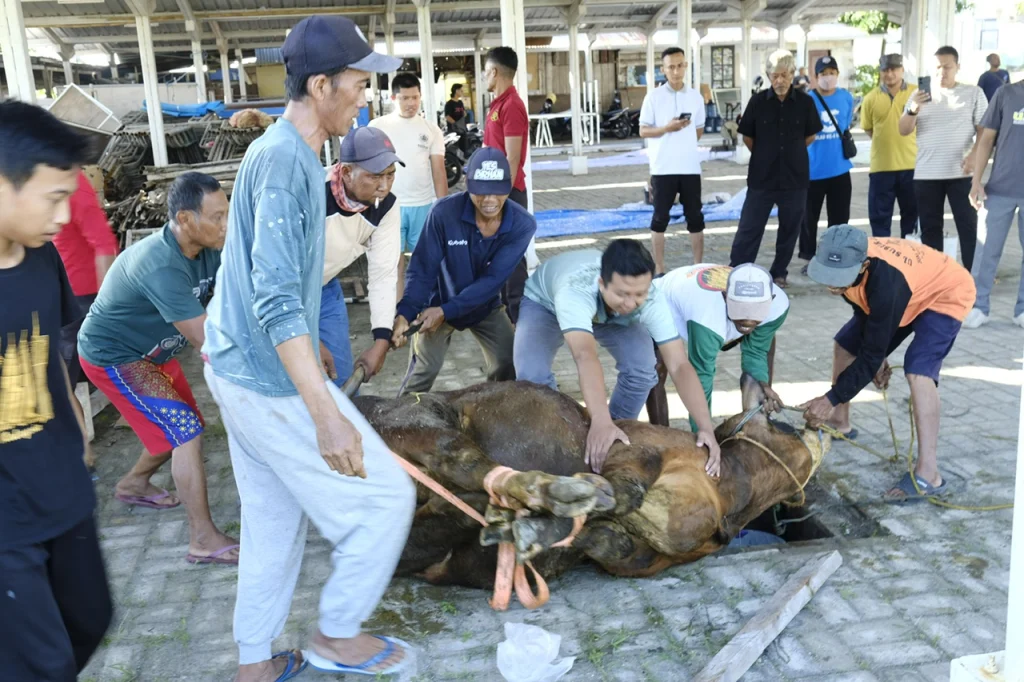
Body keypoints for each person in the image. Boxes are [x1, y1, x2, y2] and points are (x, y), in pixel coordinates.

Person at [203, 17, 415, 679]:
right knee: (385, 500)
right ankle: (336, 634)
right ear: (320, 84)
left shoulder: (299, 157)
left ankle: (255, 664)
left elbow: (287, 285)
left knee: (273, 521)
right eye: (356, 81)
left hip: (239, 367)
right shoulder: (283, 165)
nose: (363, 93)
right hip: (262, 379)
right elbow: (272, 301)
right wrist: (325, 413)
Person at [0, 99, 112, 680]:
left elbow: (51, 358)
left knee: (91, 618)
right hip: (6, 519)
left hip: (62, 488)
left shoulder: (41, 261)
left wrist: (79, 433)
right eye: (52, 198)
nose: (66, 217)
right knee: (41, 663)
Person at [77, 172, 240, 566]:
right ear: (184, 219)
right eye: (216, 217)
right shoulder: (160, 265)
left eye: (226, 214)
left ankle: (133, 483)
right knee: (185, 431)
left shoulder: (209, 246)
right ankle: (202, 539)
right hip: (115, 355)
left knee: (185, 424)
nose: (225, 225)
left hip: (153, 354)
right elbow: (210, 341)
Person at [513, 240, 722, 476]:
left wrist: (706, 428)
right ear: (602, 284)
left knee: (643, 371)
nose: (631, 303)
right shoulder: (575, 292)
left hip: (612, 316)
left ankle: (612, 437)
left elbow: (679, 364)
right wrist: (599, 419)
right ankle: (558, 441)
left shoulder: (649, 299)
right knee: (532, 378)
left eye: (639, 294)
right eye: (623, 294)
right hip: (545, 304)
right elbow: (585, 355)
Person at [801, 225, 974, 502]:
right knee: (846, 344)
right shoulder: (845, 258)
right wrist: (878, 350)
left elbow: (869, 355)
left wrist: (830, 396)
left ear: (863, 266)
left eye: (839, 278)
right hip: (903, 295)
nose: (832, 284)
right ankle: (839, 421)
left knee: (918, 368)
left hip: (944, 293)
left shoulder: (888, 281)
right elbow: (864, 308)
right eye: (828, 276)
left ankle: (929, 473)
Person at [391, 148, 534, 393]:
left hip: (483, 305)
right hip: (435, 303)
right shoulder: (443, 213)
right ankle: (399, 422)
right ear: (467, 184)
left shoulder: (522, 225)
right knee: (425, 370)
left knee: (509, 362)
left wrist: (446, 312)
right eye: (480, 191)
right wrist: (405, 312)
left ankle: (492, 413)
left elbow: (492, 281)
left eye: (497, 191)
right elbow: (422, 269)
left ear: (508, 187)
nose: (489, 199)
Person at [645, 263, 790, 429]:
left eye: (755, 312)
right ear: (724, 297)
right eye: (741, 309)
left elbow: (755, 353)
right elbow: (701, 377)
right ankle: (662, 432)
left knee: (764, 354)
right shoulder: (707, 317)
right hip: (667, 299)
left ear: (770, 301)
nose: (748, 319)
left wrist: (762, 383)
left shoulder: (778, 307)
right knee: (654, 369)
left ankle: (754, 427)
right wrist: (703, 432)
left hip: (698, 299)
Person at [729, 50, 822, 288]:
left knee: (790, 229)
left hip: (795, 179)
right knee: (749, 228)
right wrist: (765, 154)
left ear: (792, 74)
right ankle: (738, 270)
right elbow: (748, 137)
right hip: (762, 178)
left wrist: (790, 151)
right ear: (768, 76)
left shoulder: (805, 102)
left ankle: (779, 272)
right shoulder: (758, 102)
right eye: (774, 75)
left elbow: (810, 135)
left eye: (784, 75)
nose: (779, 80)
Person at [319, 127, 403, 387]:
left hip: (325, 288)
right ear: (345, 172)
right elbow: (280, 275)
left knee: (340, 378)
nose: (384, 186)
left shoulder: (386, 205)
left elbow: (383, 273)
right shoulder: (311, 194)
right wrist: (307, 340)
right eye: (375, 176)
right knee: (299, 373)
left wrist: (381, 340)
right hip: (284, 292)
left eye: (391, 175)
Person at [900, 46, 987, 272]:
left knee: (968, 227)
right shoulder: (918, 96)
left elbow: (984, 132)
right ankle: (935, 278)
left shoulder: (973, 93)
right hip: (927, 174)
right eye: (938, 67)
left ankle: (972, 276)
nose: (942, 72)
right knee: (930, 229)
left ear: (958, 67)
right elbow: (903, 129)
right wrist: (914, 108)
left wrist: (974, 155)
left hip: (961, 173)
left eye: (947, 67)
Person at [369, 72, 447, 299]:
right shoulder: (377, 127)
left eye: (415, 97)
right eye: (405, 98)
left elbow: (439, 171)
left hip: (423, 207)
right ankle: (397, 315)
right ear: (393, 98)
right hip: (389, 206)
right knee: (394, 266)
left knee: (424, 265)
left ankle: (421, 311)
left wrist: (441, 208)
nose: (411, 103)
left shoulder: (431, 130)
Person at [639, 47, 707, 273]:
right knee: (659, 218)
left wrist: (682, 141)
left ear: (686, 66)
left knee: (695, 218)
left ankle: (698, 266)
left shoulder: (695, 97)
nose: (676, 71)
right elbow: (643, 131)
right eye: (671, 67)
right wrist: (667, 128)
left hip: (689, 168)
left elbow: (698, 130)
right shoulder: (654, 97)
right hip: (663, 168)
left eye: (680, 66)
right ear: (663, 69)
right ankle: (659, 268)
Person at [965, 78, 1024, 328]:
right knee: (986, 249)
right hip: (999, 188)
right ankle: (978, 306)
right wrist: (976, 180)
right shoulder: (1006, 93)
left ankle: (1022, 310)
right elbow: (986, 138)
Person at [53, 170, 119, 387]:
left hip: (82, 296)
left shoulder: (74, 184)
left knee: (65, 372)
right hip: (60, 287)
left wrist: (105, 306)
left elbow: (104, 244)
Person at [483, 45, 531, 323]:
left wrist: (500, 197)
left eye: (486, 72)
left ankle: (520, 319)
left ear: (494, 71)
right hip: (495, 191)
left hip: (508, 192)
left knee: (512, 259)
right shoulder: (498, 105)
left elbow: (513, 158)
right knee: (497, 255)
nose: (484, 77)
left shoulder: (512, 106)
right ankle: (503, 316)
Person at [798, 56, 854, 271]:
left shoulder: (846, 98)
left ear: (837, 75)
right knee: (808, 220)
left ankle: (835, 258)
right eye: (823, 74)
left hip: (839, 169)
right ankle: (809, 259)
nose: (828, 78)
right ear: (816, 77)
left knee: (839, 220)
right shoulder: (807, 100)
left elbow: (846, 124)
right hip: (812, 170)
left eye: (832, 73)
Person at [860, 54, 919, 239]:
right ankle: (882, 261)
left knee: (911, 219)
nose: (890, 74)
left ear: (902, 70)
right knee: (879, 220)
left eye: (894, 69)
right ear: (881, 72)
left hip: (912, 167)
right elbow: (869, 129)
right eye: (886, 70)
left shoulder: (916, 94)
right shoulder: (870, 98)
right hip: (881, 168)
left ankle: (908, 263)